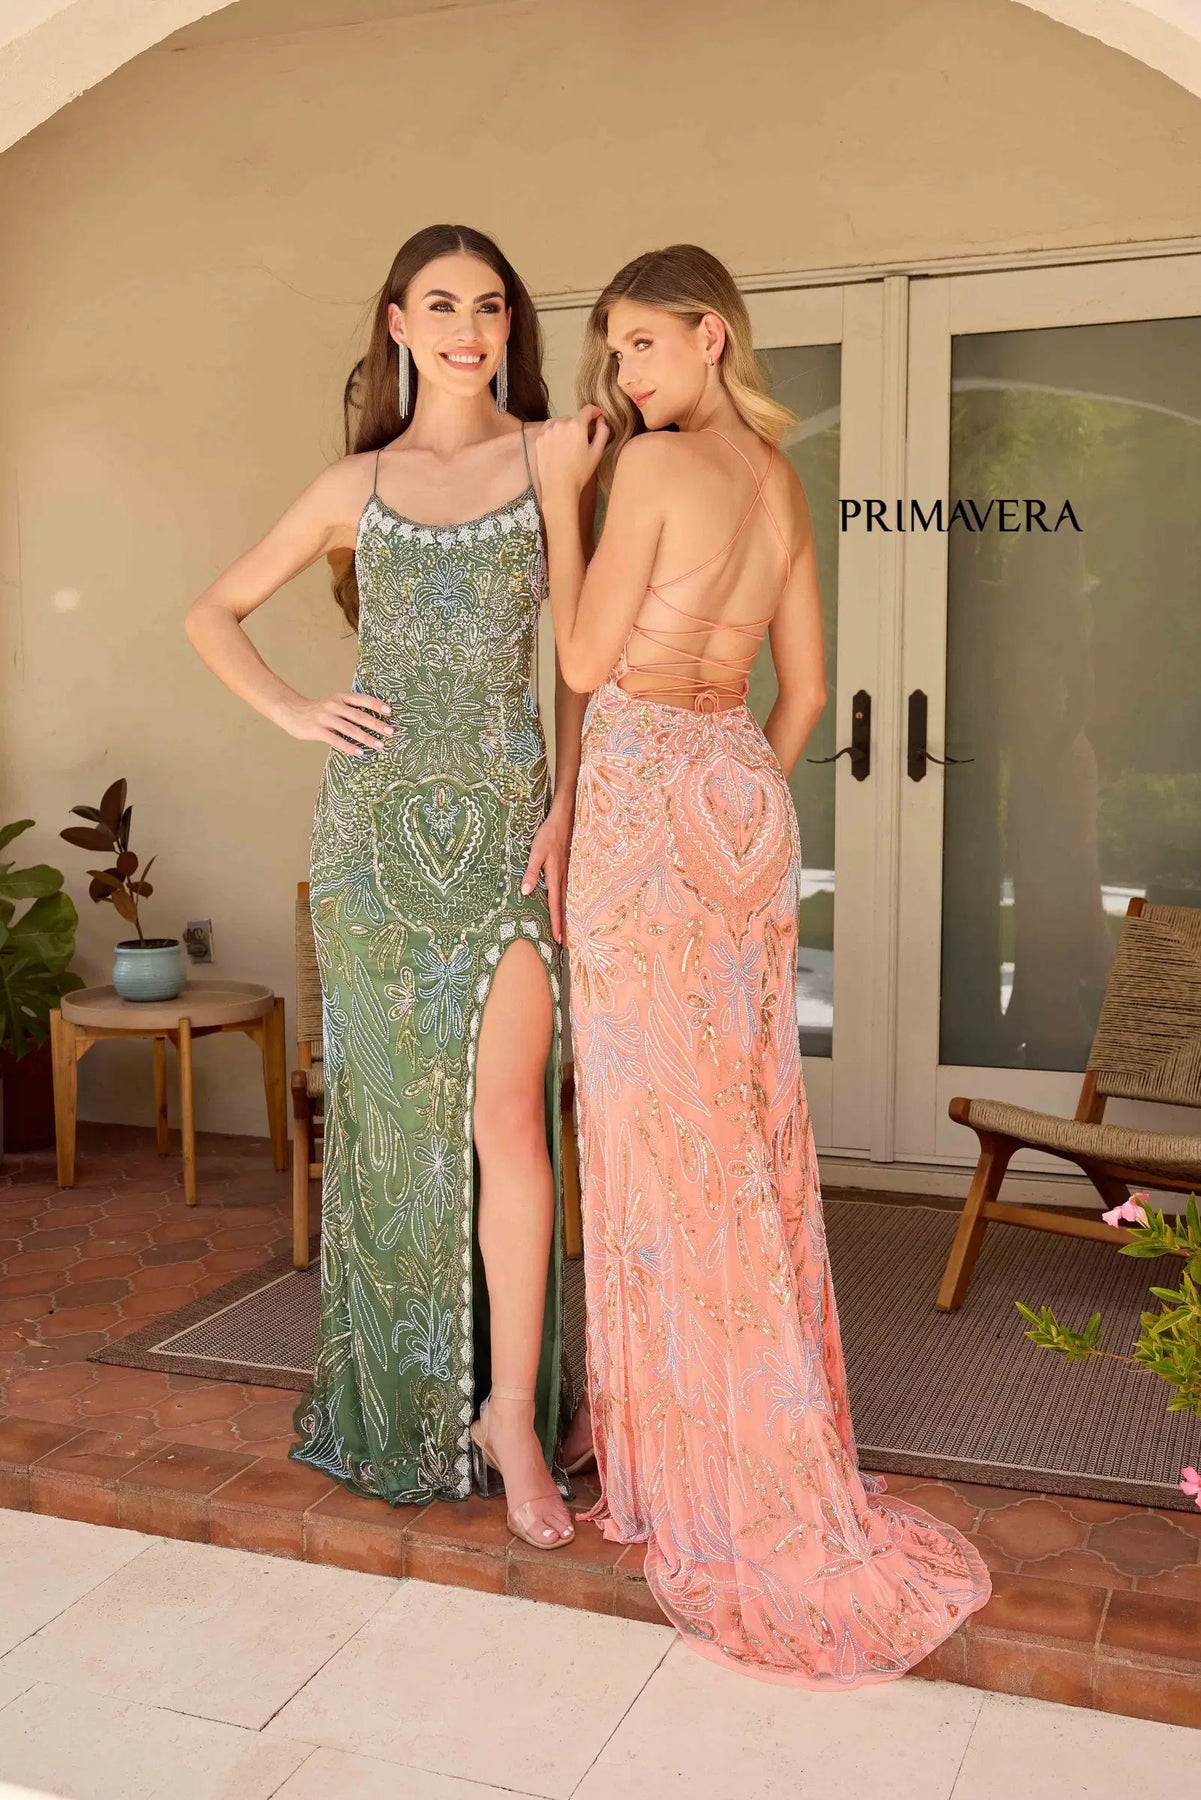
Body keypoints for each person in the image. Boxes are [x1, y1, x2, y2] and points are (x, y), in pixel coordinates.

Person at [537, 243, 991, 1679]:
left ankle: (687, 1464)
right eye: (614, 351)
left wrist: (556, 503)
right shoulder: (781, 484)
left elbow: (587, 658)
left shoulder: (654, 469)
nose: (624, 373)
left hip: (641, 798)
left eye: (641, 344)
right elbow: (804, 692)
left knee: (651, 1129)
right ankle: (736, 1430)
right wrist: (728, 792)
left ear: (711, 335)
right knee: (735, 1125)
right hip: (738, 791)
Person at [185, 223, 593, 1549]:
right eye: (443, 305)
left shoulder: (555, 454)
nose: (470, 328)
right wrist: (297, 711)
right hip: (371, 846)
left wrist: (571, 802)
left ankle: (511, 1417)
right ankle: (410, 1402)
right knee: (395, 1134)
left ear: (511, 326)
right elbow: (209, 612)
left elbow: (580, 658)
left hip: (510, 836)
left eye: (491, 305)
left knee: (511, 1123)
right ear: (399, 325)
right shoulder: (350, 485)